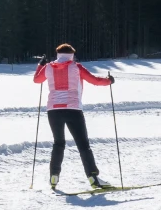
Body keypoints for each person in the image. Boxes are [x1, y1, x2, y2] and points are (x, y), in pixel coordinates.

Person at [33, 44, 115, 190]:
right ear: (72, 54)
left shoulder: (49, 67)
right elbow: (95, 80)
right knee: (83, 145)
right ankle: (93, 178)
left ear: (58, 54)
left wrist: (40, 65)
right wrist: (109, 81)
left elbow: (37, 81)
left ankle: (54, 176)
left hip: (53, 110)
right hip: (73, 109)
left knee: (58, 143)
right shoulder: (76, 66)